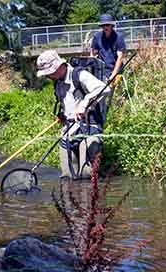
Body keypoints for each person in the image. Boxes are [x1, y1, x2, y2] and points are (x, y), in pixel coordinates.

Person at [36, 50, 111, 179]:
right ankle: (70, 197)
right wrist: (62, 115)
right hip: (69, 130)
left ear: (59, 67)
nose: (47, 76)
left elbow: (104, 88)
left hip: (89, 127)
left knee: (87, 174)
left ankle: (90, 196)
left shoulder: (80, 75)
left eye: (49, 73)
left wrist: (83, 105)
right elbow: (68, 103)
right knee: (67, 176)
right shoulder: (57, 81)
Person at [90, 14, 126, 81]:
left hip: (116, 72)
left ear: (112, 25)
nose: (105, 27)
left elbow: (120, 58)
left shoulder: (119, 37)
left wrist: (113, 75)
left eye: (107, 25)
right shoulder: (96, 37)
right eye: (103, 25)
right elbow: (92, 55)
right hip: (101, 72)